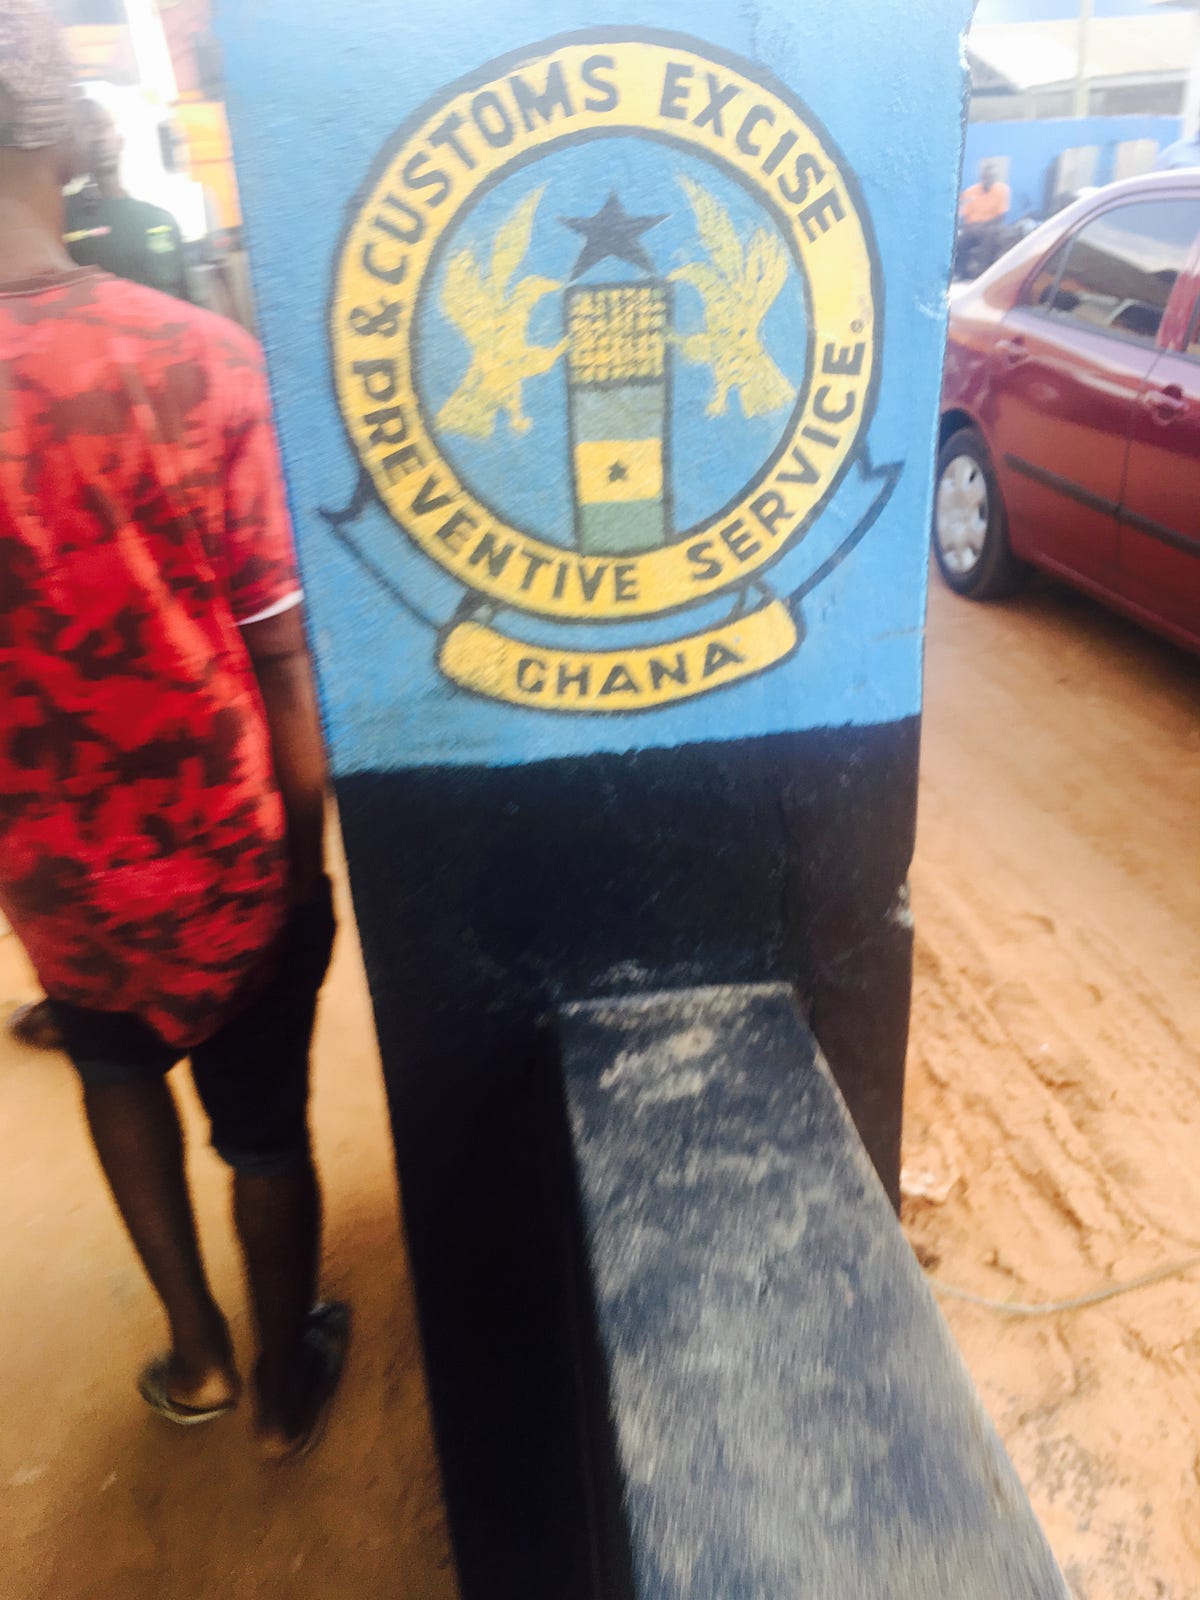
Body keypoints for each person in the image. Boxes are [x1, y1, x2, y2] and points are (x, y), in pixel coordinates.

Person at [0, 0, 348, 1458]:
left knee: (111, 1071)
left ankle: (196, 1357)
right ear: (66, 144)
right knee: (263, 1130)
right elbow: (283, 664)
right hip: (226, 850)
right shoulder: (195, 358)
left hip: (49, 870)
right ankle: (284, 1389)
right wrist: (303, 869)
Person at [64, 96, 191, 301]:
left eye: (104, 127)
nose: (98, 139)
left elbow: (189, 299)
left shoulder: (158, 220)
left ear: (120, 140)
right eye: (86, 129)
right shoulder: (61, 221)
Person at [959, 159, 1011, 227]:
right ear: (980, 176)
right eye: (985, 176)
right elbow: (964, 217)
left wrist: (983, 226)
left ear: (995, 177)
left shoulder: (1003, 190)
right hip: (971, 228)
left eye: (990, 176)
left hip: (992, 228)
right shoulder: (969, 192)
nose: (987, 179)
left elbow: (1001, 217)